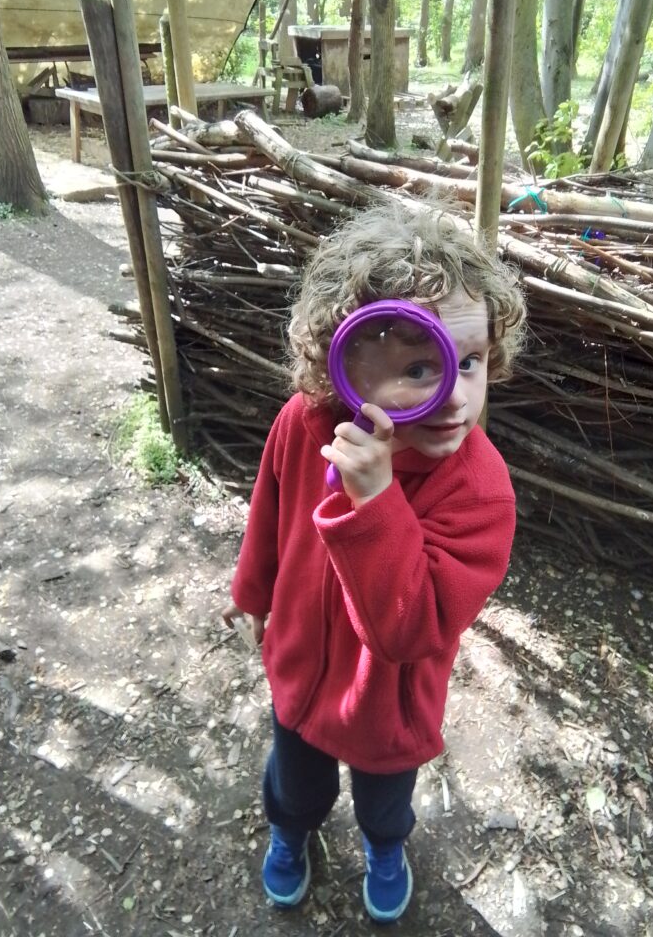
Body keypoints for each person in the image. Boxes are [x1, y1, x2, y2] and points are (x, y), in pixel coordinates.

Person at [221, 200, 526, 922]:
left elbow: (410, 628)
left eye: (472, 361)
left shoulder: (481, 493)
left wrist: (377, 501)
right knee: (295, 787)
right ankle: (291, 835)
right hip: (299, 668)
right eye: (420, 367)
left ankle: (387, 847)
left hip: (390, 706)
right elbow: (269, 512)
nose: (455, 394)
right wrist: (254, 593)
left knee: (385, 802)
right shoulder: (307, 423)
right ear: (347, 363)